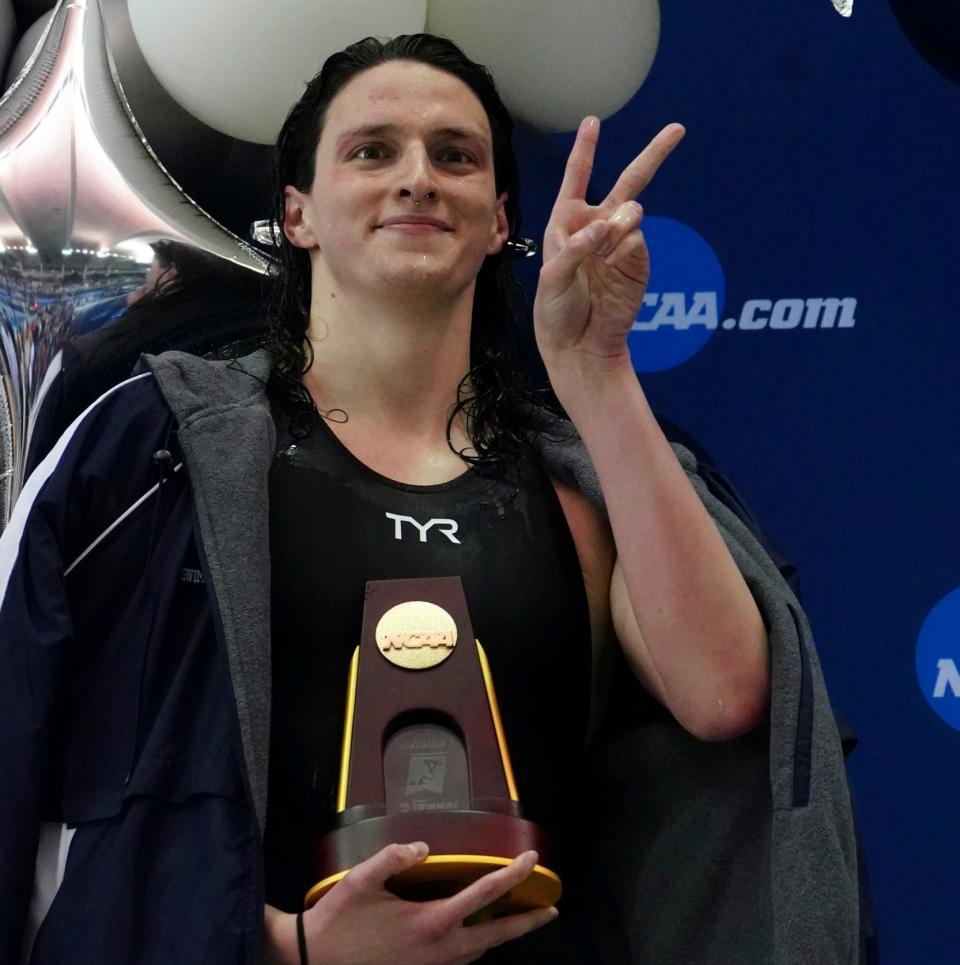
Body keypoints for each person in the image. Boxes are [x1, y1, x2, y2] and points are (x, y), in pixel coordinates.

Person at [0, 34, 862, 965]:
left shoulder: (589, 474)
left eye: (455, 155)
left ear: (498, 221)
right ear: (298, 213)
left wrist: (597, 371)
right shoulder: (150, 450)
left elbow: (726, 696)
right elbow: (25, 762)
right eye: (373, 151)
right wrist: (289, 948)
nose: (417, 178)